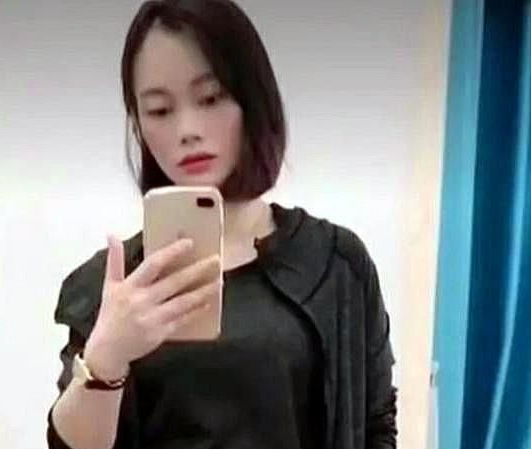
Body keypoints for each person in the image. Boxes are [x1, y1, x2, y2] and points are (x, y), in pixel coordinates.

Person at [46, 1, 397, 448]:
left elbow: (376, 424)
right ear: (138, 124)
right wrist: (106, 358)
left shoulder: (335, 263)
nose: (187, 129)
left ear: (252, 99)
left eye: (210, 98)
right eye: (159, 110)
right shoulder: (113, 284)